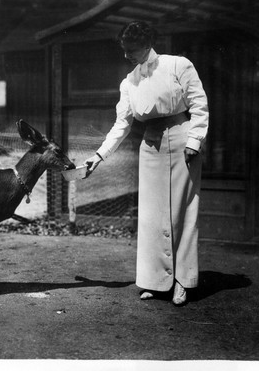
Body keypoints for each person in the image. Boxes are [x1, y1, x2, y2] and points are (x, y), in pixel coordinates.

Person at [84, 21, 209, 306]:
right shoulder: (129, 81)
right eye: (124, 50)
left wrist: (194, 142)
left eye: (131, 49)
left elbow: (199, 105)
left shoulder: (178, 65)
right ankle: (155, 280)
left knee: (183, 211)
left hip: (182, 140)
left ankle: (181, 281)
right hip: (150, 145)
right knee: (152, 216)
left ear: (147, 43)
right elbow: (122, 124)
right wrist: (98, 156)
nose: (126, 55)